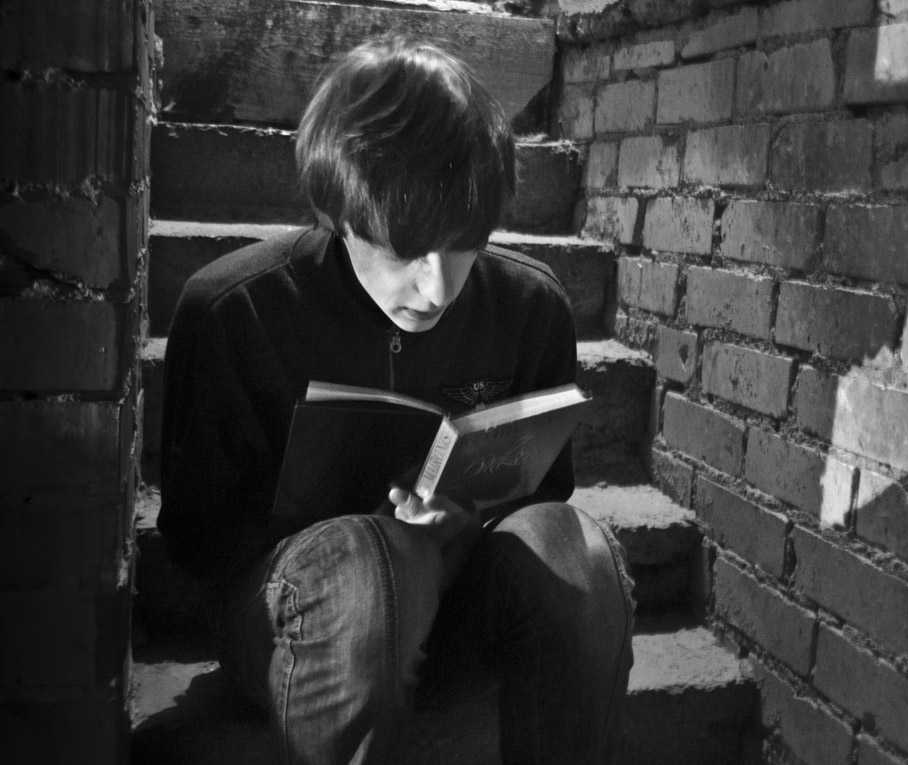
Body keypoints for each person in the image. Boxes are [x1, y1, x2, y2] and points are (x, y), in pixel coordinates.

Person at [158, 37, 635, 764]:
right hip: (301, 627)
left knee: (577, 550)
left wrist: (467, 523)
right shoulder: (235, 309)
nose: (436, 288)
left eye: (464, 245)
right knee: (366, 565)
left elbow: (547, 493)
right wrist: (356, 533)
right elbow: (196, 543)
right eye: (404, 251)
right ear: (341, 213)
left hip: (457, 606)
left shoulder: (531, 307)